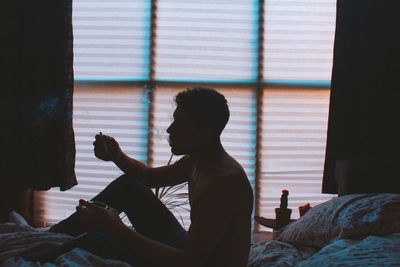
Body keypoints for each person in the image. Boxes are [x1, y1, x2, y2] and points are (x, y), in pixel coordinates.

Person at [34, 88, 254, 267]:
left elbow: (189, 262)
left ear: (205, 135)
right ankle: (50, 237)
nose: (169, 129)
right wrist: (116, 156)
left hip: (193, 262)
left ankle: (26, 261)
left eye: (180, 125)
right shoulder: (197, 160)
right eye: (173, 121)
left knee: (101, 240)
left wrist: (115, 227)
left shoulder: (225, 183)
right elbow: (148, 177)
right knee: (129, 185)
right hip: (188, 248)